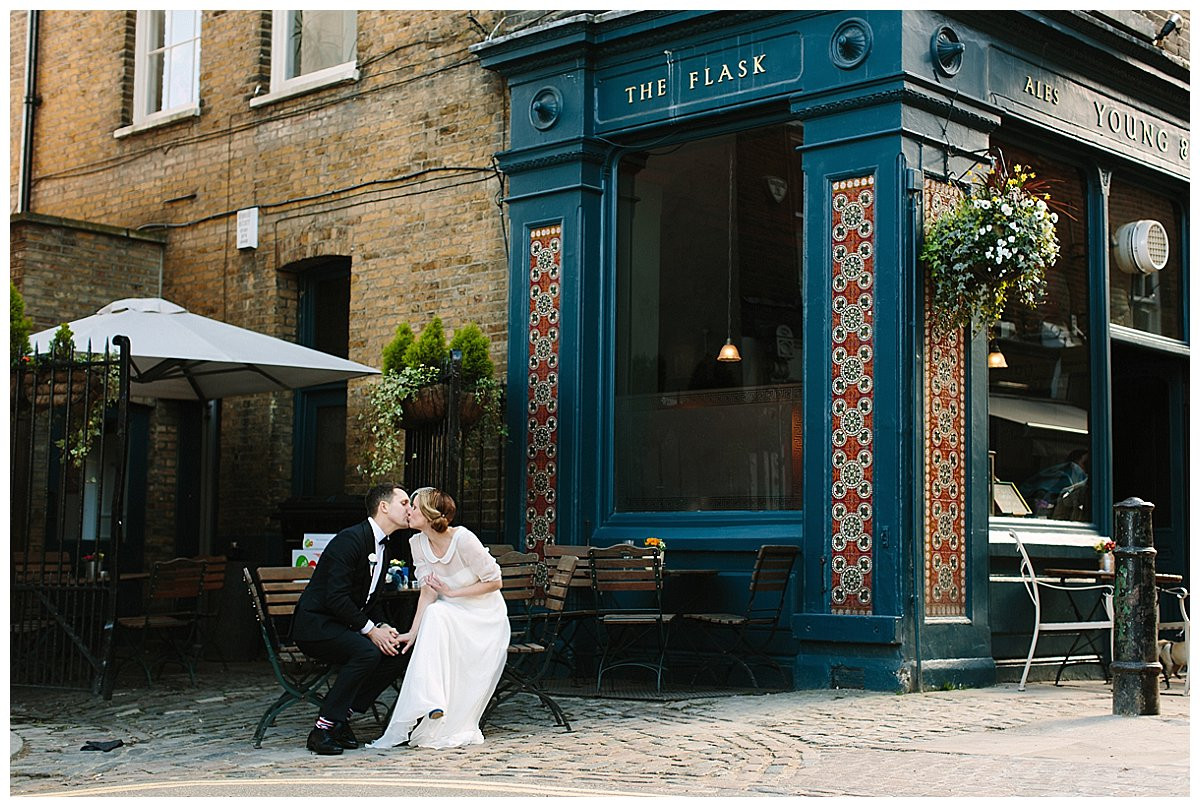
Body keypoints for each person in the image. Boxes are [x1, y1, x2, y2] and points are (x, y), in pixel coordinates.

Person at [368, 487, 509, 750]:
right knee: (435, 612)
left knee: (439, 612)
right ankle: (433, 701)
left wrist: (454, 592)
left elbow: (495, 581)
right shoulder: (416, 543)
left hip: (484, 616)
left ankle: (433, 701)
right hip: (448, 615)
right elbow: (427, 593)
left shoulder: (463, 539)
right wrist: (412, 632)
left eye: (414, 506)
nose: (408, 510)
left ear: (429, 514)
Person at [292, 483, 413, 755]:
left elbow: (372, 599)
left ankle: (341, 718)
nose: (410, 509)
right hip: (316, 626)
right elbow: (336, 598)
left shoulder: (385, 547)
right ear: (384, 507)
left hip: (344, 625)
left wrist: (383, 626)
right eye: (404, 503)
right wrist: (371, 631)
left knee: (399, 651)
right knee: (367, 651)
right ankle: (322, 730)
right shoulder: (350, 539)